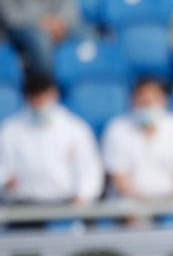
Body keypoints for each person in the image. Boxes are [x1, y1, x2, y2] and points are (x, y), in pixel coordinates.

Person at [0, 74, 103, 213]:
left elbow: (89, 169)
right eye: (35, 98)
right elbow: (3, 170)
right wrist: (6, 184)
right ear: (27, 98)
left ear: (54, 94)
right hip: (23, 208)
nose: (40, 103)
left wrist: (82, 198)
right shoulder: (10, 130)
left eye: (44, 97)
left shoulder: (75, 128)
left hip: (65, 206)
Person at [101, 79, 173, 204]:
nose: (146, 108)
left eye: (150, 102)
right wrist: (144, 210)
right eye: (141, 103)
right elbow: (119, 179)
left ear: (164, 101)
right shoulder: (117, 129)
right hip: (130, 206)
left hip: (171, 203)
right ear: (132, 102)